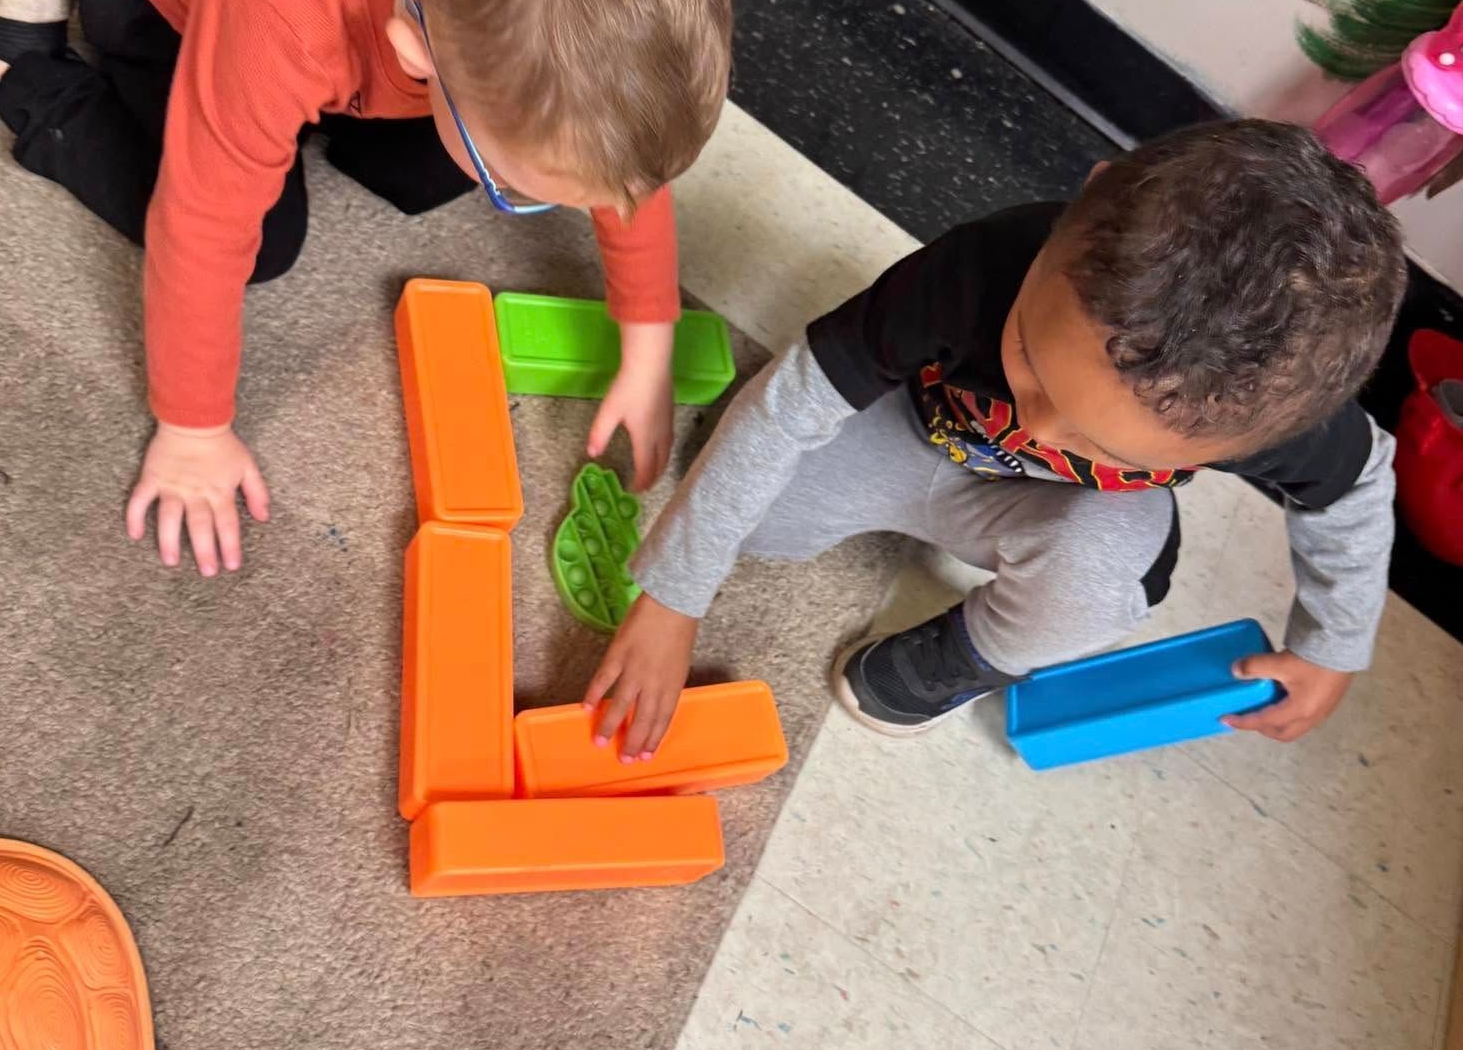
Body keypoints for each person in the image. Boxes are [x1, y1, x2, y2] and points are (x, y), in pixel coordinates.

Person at [0, 0, 731, 576]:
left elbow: (624, 160)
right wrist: (193, 430)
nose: (526, 204)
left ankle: (389, 130)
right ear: (413, 54)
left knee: (436, 168)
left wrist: (646, 340)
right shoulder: (281, 20)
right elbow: (201, 224)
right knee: (263, 242)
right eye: (517, 192)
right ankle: (11, 65)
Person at [585, 120, 1406, 754]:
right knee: (740, 507)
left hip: (1063, 519)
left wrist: (1332, 646)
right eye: (1031, 362)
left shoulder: (1269, 407)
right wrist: (674, 596)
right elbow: (792, 402)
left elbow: (1359, 486)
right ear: (1083, 204)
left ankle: (963, 654)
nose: (1038, 426)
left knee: (1094, 592)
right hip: (907, 432)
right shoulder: (977, 266)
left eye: (1109, 444)